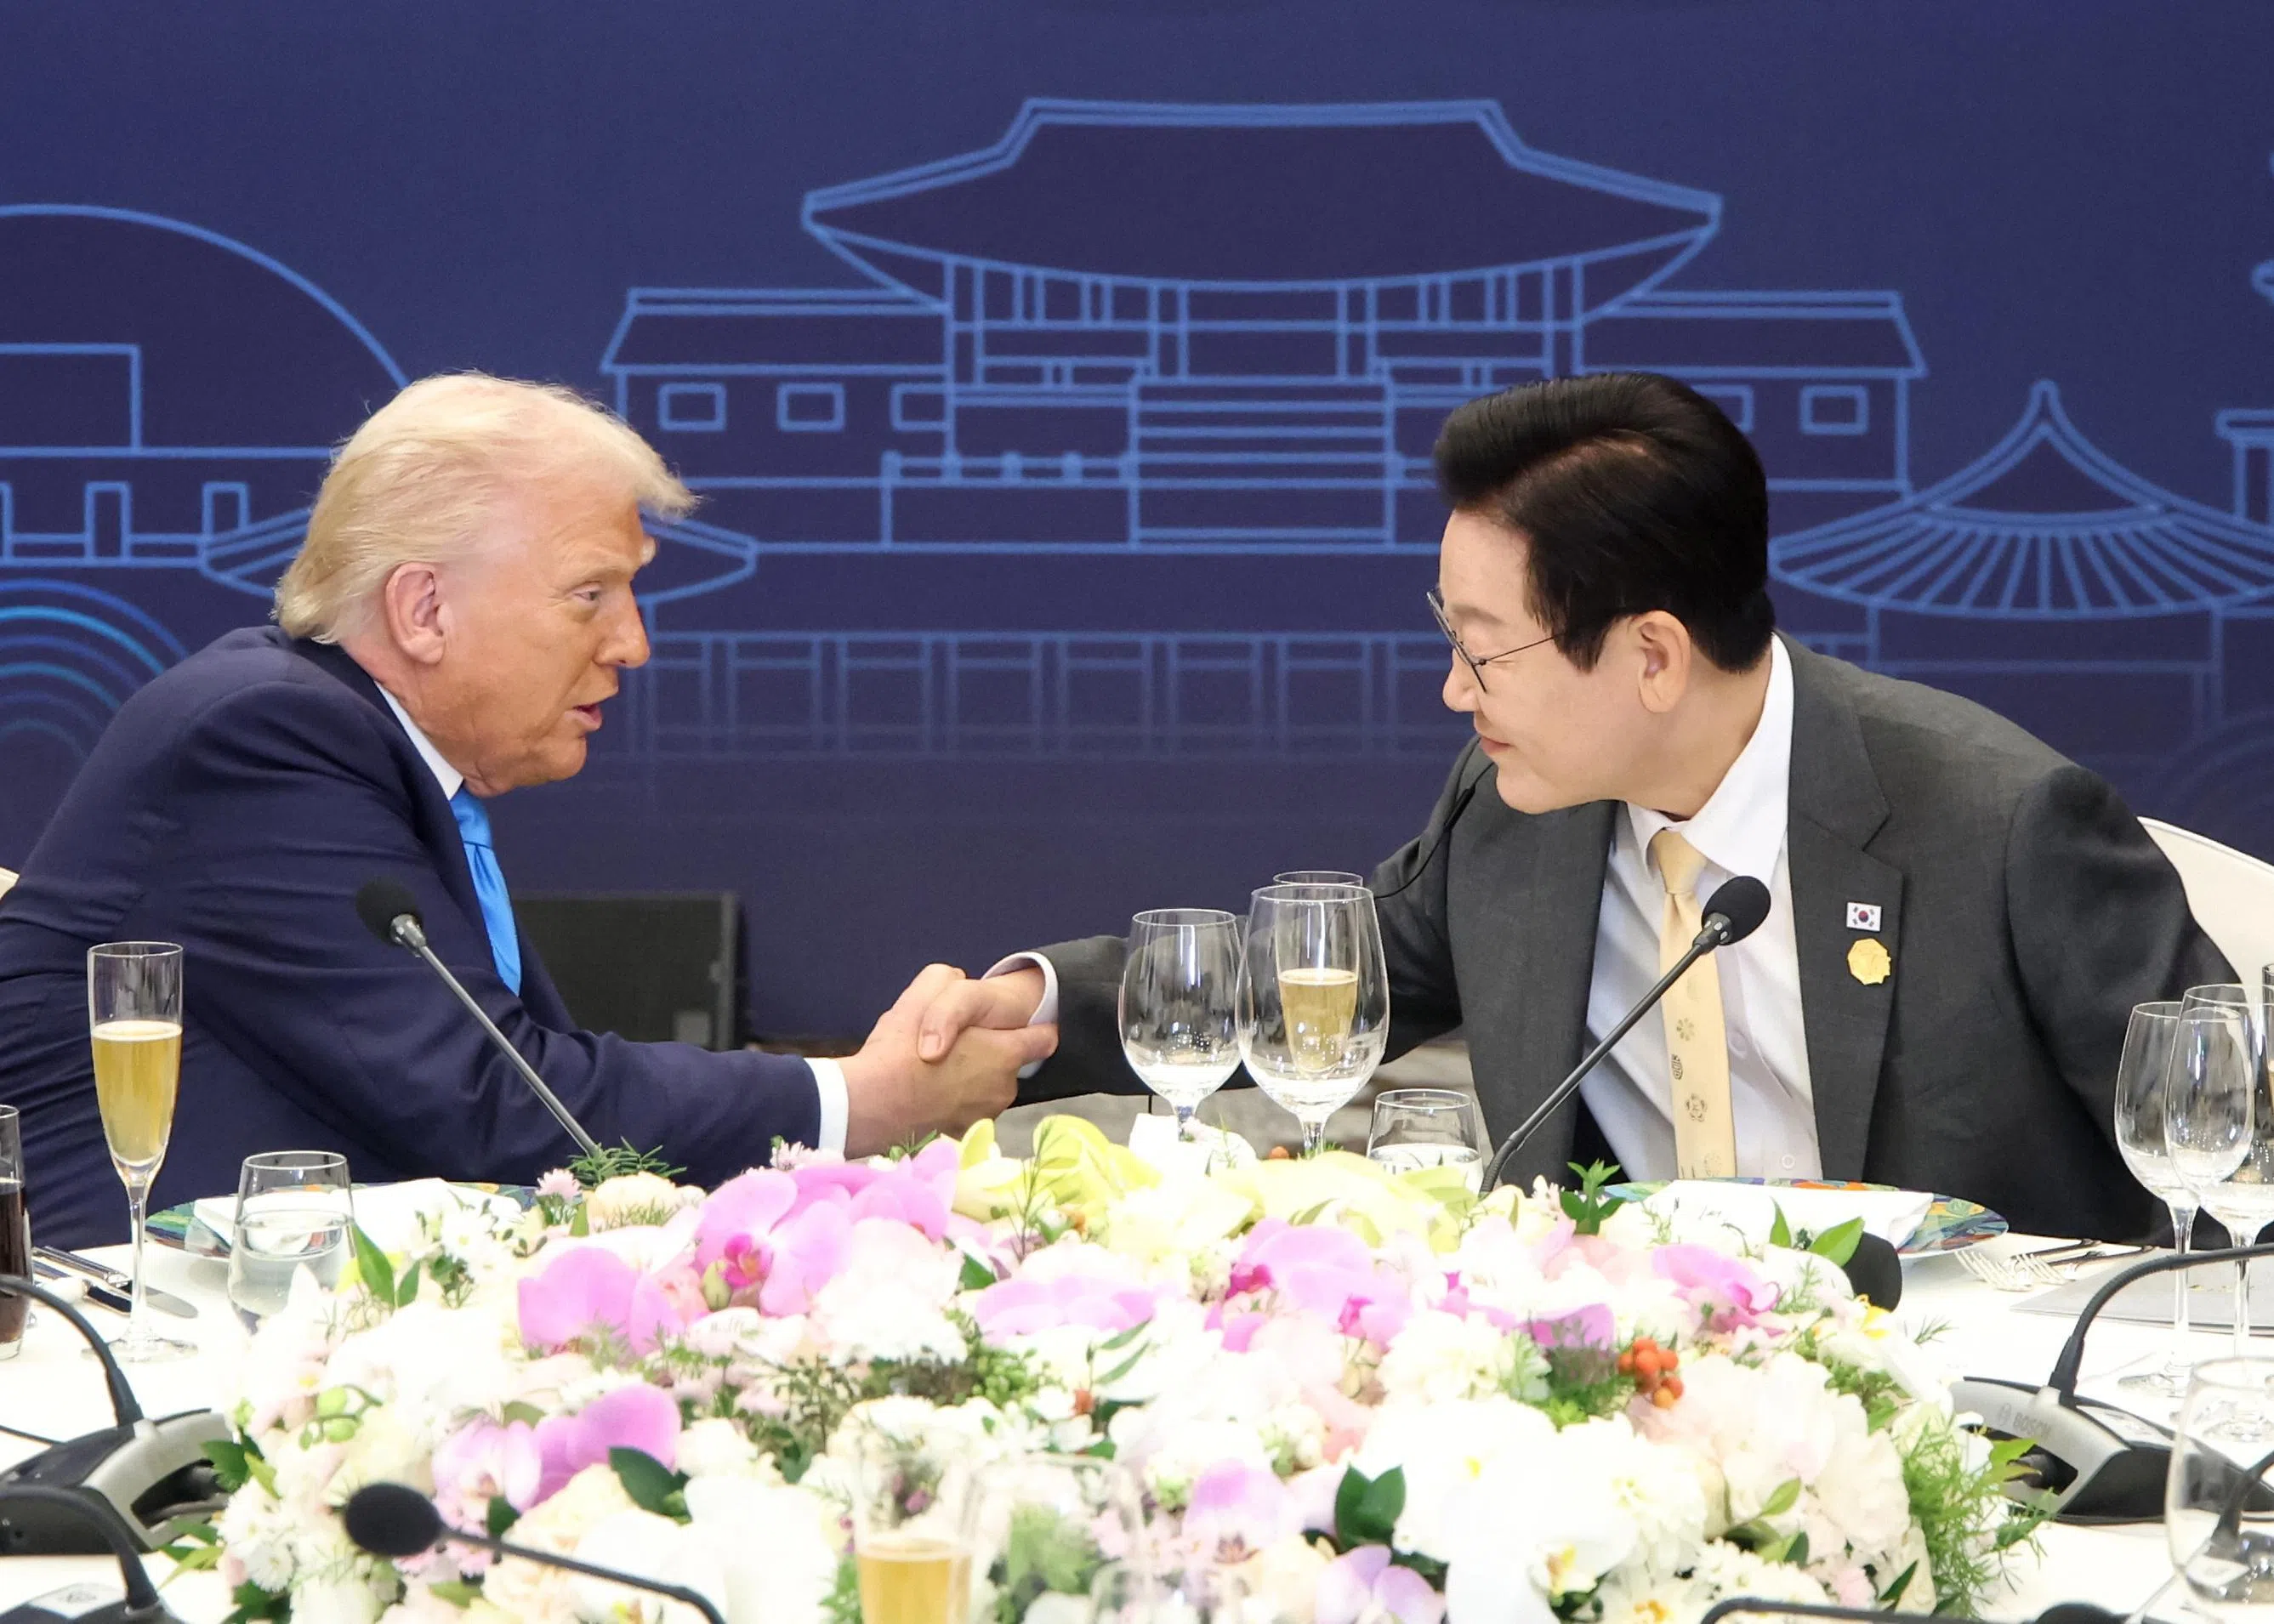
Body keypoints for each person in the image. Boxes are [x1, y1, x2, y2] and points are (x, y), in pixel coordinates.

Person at [916, 372, 2228, 1241]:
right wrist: (1036, 1009)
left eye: (1485, 651)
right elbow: (1326, 978)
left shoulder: (1999, 824)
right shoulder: (1518, 804)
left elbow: (2233, 1139)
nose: (1451, 690)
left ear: (1652, 655)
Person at [0, 375, 1060, 1246]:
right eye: (588, 594)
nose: (633, 641)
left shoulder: (379, 755)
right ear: (424, 609)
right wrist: (861, 1099)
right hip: (137, 1383)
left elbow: (515, 1098)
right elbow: (498, 1103)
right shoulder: (259, 738)